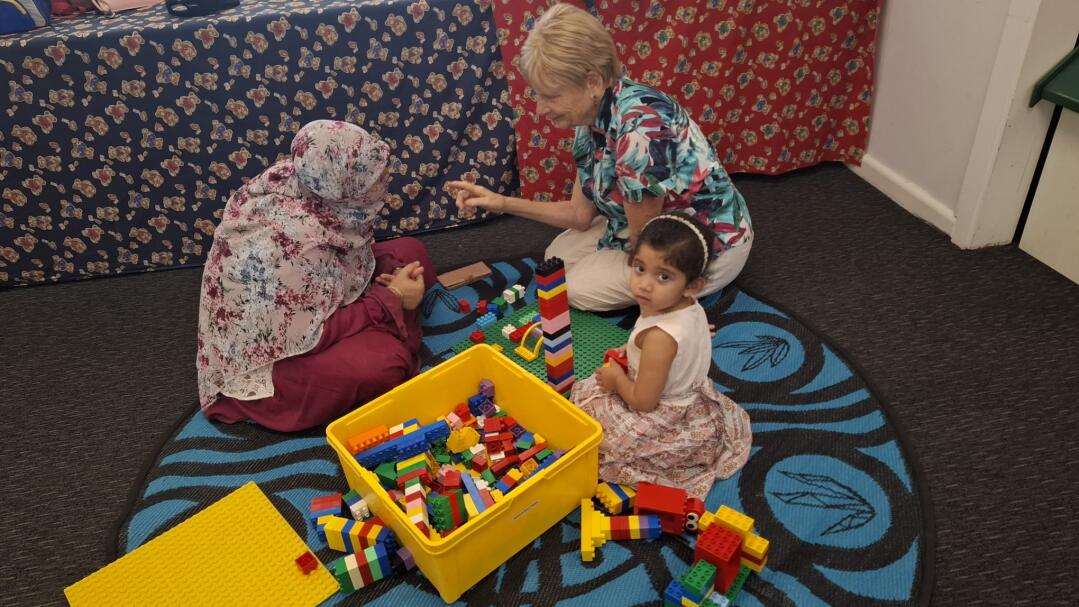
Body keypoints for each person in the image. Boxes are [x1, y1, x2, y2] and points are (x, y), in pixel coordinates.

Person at [447, 2, 752, 312]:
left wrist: (667, 318)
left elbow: (648, 248)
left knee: (573, 289)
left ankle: (692, 288)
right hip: (646, 224)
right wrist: (501, 202)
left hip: (698, 246)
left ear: (592, 82)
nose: (539, 109)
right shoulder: (591, 117)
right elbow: (579, 215)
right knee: (557, 258)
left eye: (551, 96)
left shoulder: (639, 131)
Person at [196, 120, 435, 432]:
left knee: (411, 254)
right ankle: (391, 324)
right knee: (387, 361)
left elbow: (342, 251)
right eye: (373, 179)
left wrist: (389, 296)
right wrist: (390, 298)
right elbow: (313, 335)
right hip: (277, 357)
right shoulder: (297, 242)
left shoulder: (303, 176)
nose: (383, 182)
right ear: (342, 186)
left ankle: (390, 321)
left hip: (314, 295)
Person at [571, 212, 752, 498]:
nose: (645, 284)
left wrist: (617, 380)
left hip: (660, 411)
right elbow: (678, 347)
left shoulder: (659, 338)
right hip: (688, 395)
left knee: (591, 424)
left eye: (663, 276)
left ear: (692, 286)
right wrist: (630, 351)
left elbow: (644, 402)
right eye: (640, 268)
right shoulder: (689, 306)